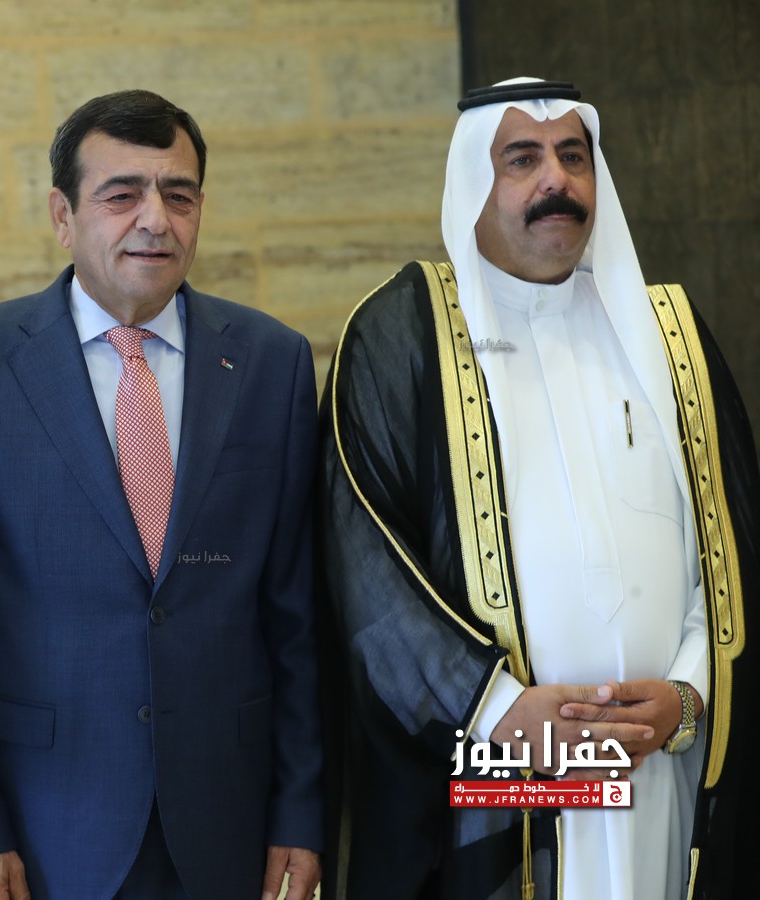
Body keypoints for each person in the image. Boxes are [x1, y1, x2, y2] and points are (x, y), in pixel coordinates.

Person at [317, 77, 758, 899]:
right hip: (495, 786)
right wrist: (497, 712)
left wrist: (689, 694)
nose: (556, 179)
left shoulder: (670, 335)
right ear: (472, 184)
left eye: (573, 156)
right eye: (522, 159)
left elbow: (733, 543)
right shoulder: (402, 335)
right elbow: (364, 564)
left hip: (662, 769)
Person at [0, 89, 325, 900]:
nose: (155, 220)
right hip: (46, 823)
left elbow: (297, 617)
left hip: (229, 818)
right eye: (121, 194)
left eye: (179, 195)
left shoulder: (272, 362)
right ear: (63, 216)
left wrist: (301, 814)